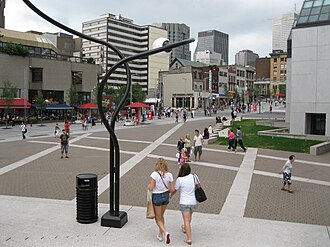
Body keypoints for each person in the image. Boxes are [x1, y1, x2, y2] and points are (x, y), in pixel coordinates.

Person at [171, 163, 199, 245]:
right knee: (189, 217)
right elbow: (198, 186)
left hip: (184, 202)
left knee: (186, 220)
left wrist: (171, 195)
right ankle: (184, 227)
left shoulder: (180, 179)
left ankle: (189, 239)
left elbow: (175, 189)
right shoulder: (194, 176)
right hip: (193, 201)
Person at [148, 158, 174, 244]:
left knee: (157, 217)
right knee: (161, 216)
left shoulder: (154, 174)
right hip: (165, 196)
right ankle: (160, 234)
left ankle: (165, 232)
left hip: (157, 196)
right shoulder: (169, 175)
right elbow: (172, 189)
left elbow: (151, 188)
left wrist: (149, 186)